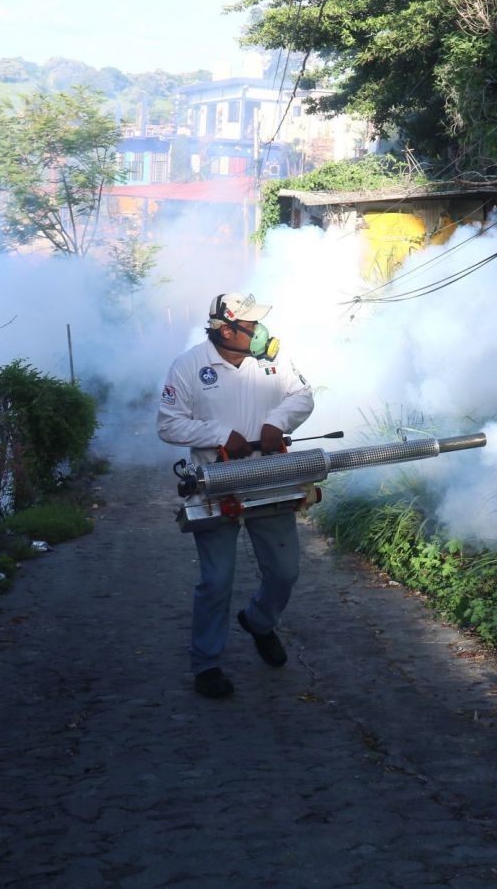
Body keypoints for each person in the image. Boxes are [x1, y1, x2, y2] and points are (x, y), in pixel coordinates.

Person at [157, 292, 315, 698]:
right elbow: (169, 424)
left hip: (268, 475)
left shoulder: (273, 361)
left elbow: (302, 396)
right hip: (214, 480)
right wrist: (219, 435)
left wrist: (276, 422)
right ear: (226, 330)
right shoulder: (189, 366)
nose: (261, 332)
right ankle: (206, 663)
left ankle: (259, 621)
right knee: (216, 580)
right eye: (252, 325)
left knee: (285, 572)